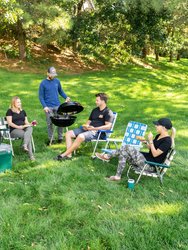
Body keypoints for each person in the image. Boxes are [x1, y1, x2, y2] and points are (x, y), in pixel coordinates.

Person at [96, 118, 175, 181]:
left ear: (164, 127)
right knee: (124, 152)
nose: (155, 126)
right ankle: (117, 176)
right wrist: (144, 141)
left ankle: (107, 156)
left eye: (157, 125)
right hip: (145, 159)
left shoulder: (167, 141)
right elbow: (151, 148)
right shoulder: (158, 136)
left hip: (150, 165)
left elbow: (155, 154)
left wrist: (150, 140)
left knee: (127, 147)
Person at [55, 93, 114, 161]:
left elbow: (108, 126)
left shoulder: (108, 112)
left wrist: (94, 128)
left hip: (97, 132)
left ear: (103, 101)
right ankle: (69, 155)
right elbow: (89, 121)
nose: (95, 102)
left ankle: (63, 155)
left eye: (97, 100)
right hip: (88, 129)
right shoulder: (95, 110)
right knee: (68, 133)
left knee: (80, 136)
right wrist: (86, 126)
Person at [39, 66, 70, 145]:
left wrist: (66, 97)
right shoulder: (43, 83)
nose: (53, 76)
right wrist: (44, 106)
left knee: (60, 121)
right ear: (47, 73)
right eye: (52, 74)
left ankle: (60, 138)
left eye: (54, 74)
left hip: (57, 105)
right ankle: (51, 139)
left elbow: (61, 91)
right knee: (50, 123)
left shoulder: (57, 81)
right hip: (48, 107)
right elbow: (41, 96)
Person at [6, 96, 35, 161]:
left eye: (20, 102)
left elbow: (26, 122)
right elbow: (10, 123)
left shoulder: (23, 111)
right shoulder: (10, 111)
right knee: (28, 135)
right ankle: (31, 156)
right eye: (18, 102)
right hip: (14, 130)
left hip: (23, 128)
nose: (20, 103)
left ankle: (24, 145)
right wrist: (18, 127)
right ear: (14, 103)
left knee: (30, 128)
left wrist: (31, 123)